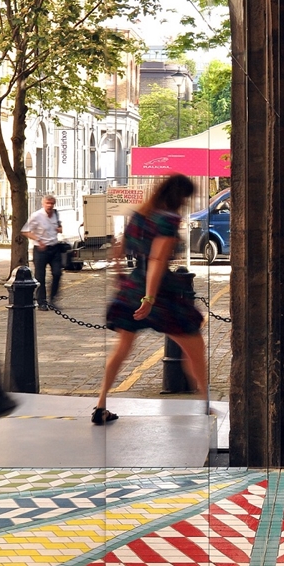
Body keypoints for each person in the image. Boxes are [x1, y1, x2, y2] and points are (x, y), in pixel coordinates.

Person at [92, 174, 207, 424]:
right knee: (194, 345)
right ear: (180, 197)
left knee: (122, 348)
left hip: (132, 287)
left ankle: (101, 404)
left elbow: (118, 249)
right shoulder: (168, 221)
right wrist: (150, 298)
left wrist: (121, 277)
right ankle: (205, 401)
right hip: (160, 293)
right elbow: (157, 260)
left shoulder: (139, 215)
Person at [22, 194, 62, 310]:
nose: (49, 206)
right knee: (40, 276)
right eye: (47, 203)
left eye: (51, 204)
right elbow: (26, 231)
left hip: (54, 248)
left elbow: (60, 227)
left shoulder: (55, 214)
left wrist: (59, 229)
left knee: (57, 273)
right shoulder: (36, 216)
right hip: (41, 249)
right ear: (43, 204)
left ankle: (53, 299)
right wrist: (38, 240)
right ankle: (41, 301)